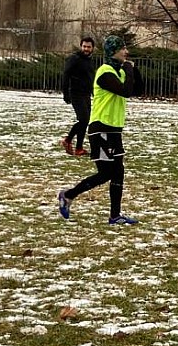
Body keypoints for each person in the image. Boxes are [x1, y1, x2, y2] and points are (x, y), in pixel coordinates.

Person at [58, 35, 144, 225]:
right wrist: (129, 68)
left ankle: (114, 215)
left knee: (115, 172)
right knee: (108, 172)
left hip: (114, 129)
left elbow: (136, 90)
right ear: (113, 51)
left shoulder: (118, 71)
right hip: (101, 129)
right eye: (123, 49)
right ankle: (68, 195)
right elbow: (125, 91)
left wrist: (134, 71)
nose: (126, 52)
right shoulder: (105, 72)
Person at [60, 37, 96, 156]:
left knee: (85, 121)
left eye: (88, 47)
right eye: (84, 46)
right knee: (83, 119)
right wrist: (65, 93)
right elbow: (66, 75)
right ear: (81, 46)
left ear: (92, 48)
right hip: (76, 93)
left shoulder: (90, 61)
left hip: (86, 94)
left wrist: (93, 93)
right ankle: (68, 140)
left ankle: (79, 148)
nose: (86, 49)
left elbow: (90, 78)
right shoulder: (74, 59)